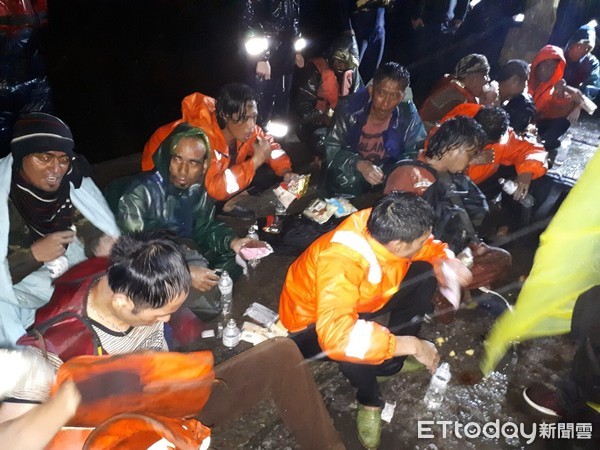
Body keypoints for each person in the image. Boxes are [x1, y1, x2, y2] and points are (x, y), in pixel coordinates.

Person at [11, 231, 345, 449]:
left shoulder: (132, 270)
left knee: (281, 352)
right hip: (129, 434)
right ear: (122, 303)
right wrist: (68, 399)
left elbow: (164, 246)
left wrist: (188, 271)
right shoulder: (53, 346)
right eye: (160, 315)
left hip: (178, 397)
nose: (167, 321)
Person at [279, 192, 472, 449]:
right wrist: (413, 344)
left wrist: (446, 260)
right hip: (310, 326)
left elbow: (428, 246)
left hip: (364, 299)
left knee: (426, 274)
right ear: (398, 245)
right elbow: (338, 337)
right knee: (354, 347)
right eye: (419, 240)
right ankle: (369, 400)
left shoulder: (383, 224)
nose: (424, 243)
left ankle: (389, 365)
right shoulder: (339, 260)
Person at [0, 112, 120, 344]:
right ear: (22, 155)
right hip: (15, 286)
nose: (56, 169)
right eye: (44, 158)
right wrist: (33, 256)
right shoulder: (5, 197)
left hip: (57, 274)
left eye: (63, 159)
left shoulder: (68, 188)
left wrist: (101, 242)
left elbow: (88, 224)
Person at [116, 124, 254, 294]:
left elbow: (205, 227)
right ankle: (194, 294)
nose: (183, 171)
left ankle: (205, 290)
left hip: (184, 247)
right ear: (167, 158)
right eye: (177, 159)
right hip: (153, 258)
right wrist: (185, 272)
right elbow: (133, 250)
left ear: (204, 166)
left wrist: (233, 241)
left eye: (193, 163)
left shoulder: (197, 189)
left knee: (235, 255)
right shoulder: (140, 192)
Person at [141, 83, 298, 217]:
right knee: (206, 197)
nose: (251, 125)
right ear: (224, 115)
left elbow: (270, 147)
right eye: (244, 118)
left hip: (208, 181)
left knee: (267, 173)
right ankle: (199, 217)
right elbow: (216, 189)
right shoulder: (200, 138)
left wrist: (285, 171)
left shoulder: (246, 131)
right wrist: (255, 161)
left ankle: (227, 205)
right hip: (164, 186)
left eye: (254, 117)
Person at [323, 62, 426, 197]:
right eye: (381, 93)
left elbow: (416, 151)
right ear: (371, 90)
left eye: (394, 96)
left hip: (387, 172)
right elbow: (332, 148)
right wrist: (359, 164)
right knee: (347, 181)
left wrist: (392, 171)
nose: (386, 103)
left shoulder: (408, 113)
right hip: (354, 171)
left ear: (401, 96)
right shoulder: (349, 107)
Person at [293, 34, 362, 156]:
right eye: (339, 61)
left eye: (346, 64)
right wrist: (323, 115)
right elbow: (301, 109)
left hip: (342, 124)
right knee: (323, 144)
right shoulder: (315, 71)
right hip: (316, 125)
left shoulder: (352, 74)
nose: (341, 66)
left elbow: (361, 103)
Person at [242, 0, 304, 129]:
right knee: (260, 101)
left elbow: (294, 21)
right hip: (264, 55)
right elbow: (249, 24)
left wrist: (297, 50)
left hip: (286, 54)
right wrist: (261, 58)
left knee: (282, 100)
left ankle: (276, 139)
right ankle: (257, 136)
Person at [528, 45, 584, 153]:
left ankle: (540, 143)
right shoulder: (525, 74)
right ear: (538, 63)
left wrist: (561, 95)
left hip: (535, 124)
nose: (549, 71)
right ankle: (539, 144)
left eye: (553, 68)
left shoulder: (551, 85)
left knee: (562, 122)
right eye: (546, 66)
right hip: (518, 122)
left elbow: (553, 112)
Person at [419, 53, 496, 131]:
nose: (488, 79)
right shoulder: (459, 98)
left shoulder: (451, 86)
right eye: (485, 75)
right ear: (472, 77)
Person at [340, 0, 392, 84]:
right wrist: (347, 27)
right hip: (358, 29)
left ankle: (360, 91)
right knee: (351, 72)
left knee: (371, 71)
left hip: (379, 29)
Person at [496, 59, 537, 134]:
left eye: (500, 83)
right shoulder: (520, 102)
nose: (498, 87)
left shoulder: (522, 108)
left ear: (515, 80)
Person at [564, 24, 600, 100]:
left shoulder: (592, 62)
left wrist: (583, 91)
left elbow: (593, 88)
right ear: (572, 44)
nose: (583, 50)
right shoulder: (558, 55)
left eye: (588, 48)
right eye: (580, 46)